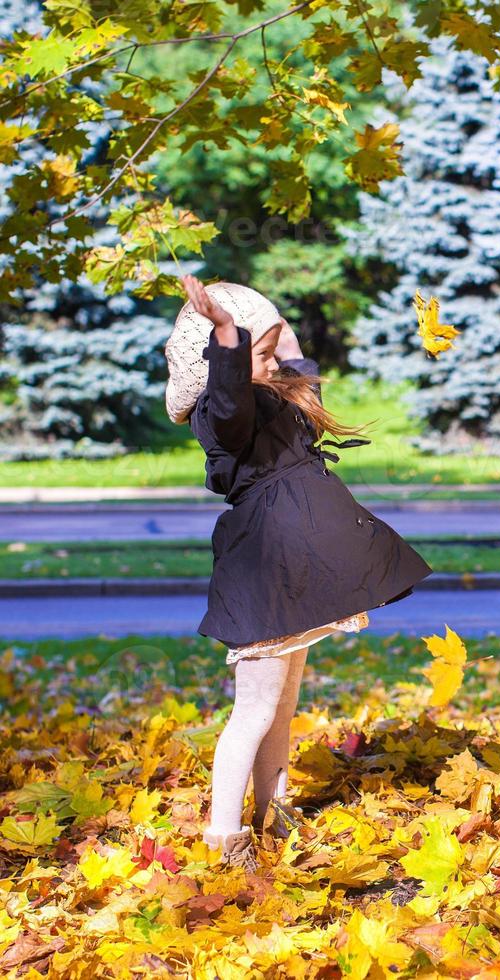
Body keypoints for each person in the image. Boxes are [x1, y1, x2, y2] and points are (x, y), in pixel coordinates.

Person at [164, 274, 434, 871]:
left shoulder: (273, 398)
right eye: (255, 355)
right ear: (219, 363)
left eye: (265, 350)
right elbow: (233, 395)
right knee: (253, 711)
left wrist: (275, 333)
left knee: (282, 705)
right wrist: (230, 335)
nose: (270, 362)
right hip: (267, 575)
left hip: (298, 576)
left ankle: (273, 809)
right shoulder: (222, 411)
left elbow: (292, 372)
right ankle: (223, 836)